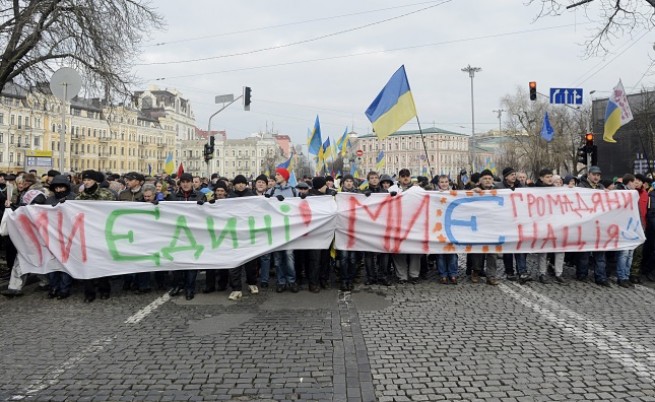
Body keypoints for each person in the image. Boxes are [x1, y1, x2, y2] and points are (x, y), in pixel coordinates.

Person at [76, 170, 116, 302]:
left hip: (102, 234)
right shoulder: (79, 197)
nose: (86, 182)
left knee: (101, 262)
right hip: (86, 235)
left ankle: (105, 289)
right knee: (86, 264)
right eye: (84, 180)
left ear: (95, 181)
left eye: (89, 180)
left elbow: (114, 211)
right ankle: (89, 293)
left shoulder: (106, 195)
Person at [168, 173, 205, 300]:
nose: (185, 184)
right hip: (178, 234)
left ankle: (190, 288)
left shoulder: (200, 196)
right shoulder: (173, 197)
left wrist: (205, 205)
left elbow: (208, 212)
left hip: (194, 234)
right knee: (177, 262)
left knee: (191, 263)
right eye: (183, 181)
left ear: (192, 183)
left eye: (188, 181)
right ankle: (177, 285)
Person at [225, 175, 259, 300]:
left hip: (249, 234)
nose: (240, 185)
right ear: (234, 185)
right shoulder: (229, 197)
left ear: (246, 184)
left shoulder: (252, 196)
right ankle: (236, 288)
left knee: (251, 263)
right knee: (234, 263)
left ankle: (252, 283)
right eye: (238, 183)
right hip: (234, 235)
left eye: (242, 183)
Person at [266, 168, 299, 293]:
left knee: (289, 256)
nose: (276, 176)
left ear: (285, 177)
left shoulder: (293, 191)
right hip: (276, 230)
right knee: (278, 258)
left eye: (278, 174)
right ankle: (281, 281)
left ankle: (291, 281)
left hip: (289, 229)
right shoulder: (272, 190)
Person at [44, 175, 77, 299]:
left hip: (69, 237)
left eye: (61, 187)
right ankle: (53, 287)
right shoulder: (49, 200)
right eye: (56, 188)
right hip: (52, 236)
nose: (59, 190)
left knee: (65, 265)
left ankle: (64, 289)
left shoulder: (74, 199)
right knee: (52, 264)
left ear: (66, 187)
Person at [576, 166, 610, 287]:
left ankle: (600, 277)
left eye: (598, 175)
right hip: (585, 226)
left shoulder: (601, 188)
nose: (596, 177)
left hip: (599, 226)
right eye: (594, 174)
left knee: (600, 253)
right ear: (588, 174)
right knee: (584, 253)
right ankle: (582, 274)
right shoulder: (581, 187)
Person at [534, 168, 566, 285]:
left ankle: (559, 273)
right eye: (547, 177)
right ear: (541, 178)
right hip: (542, 224)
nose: (549, 179)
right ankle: (542, 273)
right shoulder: (534, 190)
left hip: (556, 224)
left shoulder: (556, 190)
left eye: (550, 177)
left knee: (560, 249)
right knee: (543, 250)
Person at [471, 169, 499, 285]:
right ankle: (476, 272)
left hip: (493, 226)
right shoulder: (475, 191)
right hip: (478, 226)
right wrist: (472, 191)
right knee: (477, 251)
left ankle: (491, 276)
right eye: (485, 179)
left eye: (489, 178)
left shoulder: (499, 192)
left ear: (492, 180)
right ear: (480, 181)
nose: (487, 180)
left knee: (492, 253)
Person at [434, 175, 458, 284]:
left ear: (449, 183)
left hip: (451, 226)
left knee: (452, 252)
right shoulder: (434, 195)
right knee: (440, 253)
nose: (444, 184)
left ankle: (453, 274)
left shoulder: (455, 194)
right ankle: (442, 274)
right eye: (442, 182)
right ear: (439, 184)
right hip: (439, 226)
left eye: (446, 182)